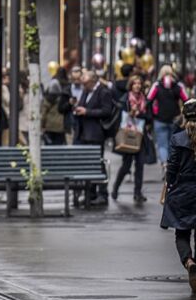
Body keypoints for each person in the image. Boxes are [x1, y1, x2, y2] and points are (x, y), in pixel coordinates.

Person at [161, 99, 196, 293]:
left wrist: (169, 182)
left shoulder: (178, 138)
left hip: (182, 190)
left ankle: (188, 261)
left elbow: (172, 167)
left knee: (182, 232)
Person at [74, 69, 116, 204]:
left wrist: (87, 112)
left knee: (98, 162)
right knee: (87, 164)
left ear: (92, 80)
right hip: (84, 133)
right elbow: (82, 104)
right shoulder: (86, 91)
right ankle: (90, 193)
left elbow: (106, 111)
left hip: (96, 133)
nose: (83, 84)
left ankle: (103, 193)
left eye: (85, 81)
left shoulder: (103, 92)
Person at [112, 74, 150, 203]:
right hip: (128, 136)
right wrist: (131, 113)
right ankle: (116, 188)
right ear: (131, 86)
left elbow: (150, 118)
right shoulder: (125, 99)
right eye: (135, 83)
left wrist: (141, 114)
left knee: (140, 165)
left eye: (139, 83)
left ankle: (137, 193)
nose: (137, 86)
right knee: (126, 165)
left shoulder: (145, 100)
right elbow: (121, 116)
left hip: (140, 136)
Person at [148, 65, 189, 169]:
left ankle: (164, 163)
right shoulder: (178, 86)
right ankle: (171, 166)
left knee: (162, 145)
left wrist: (152, 114)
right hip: (174, 119)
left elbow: (149, 100)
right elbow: (186, 100)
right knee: (172, 144)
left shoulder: (156, 85)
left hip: (159, 119)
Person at [43, 64, 71, 146]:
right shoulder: (68, 86)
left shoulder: (53, 85)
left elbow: (45, 106)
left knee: (49, 146)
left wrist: (42, 123)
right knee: (60, 145)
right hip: (63, 123)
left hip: (51, 123)